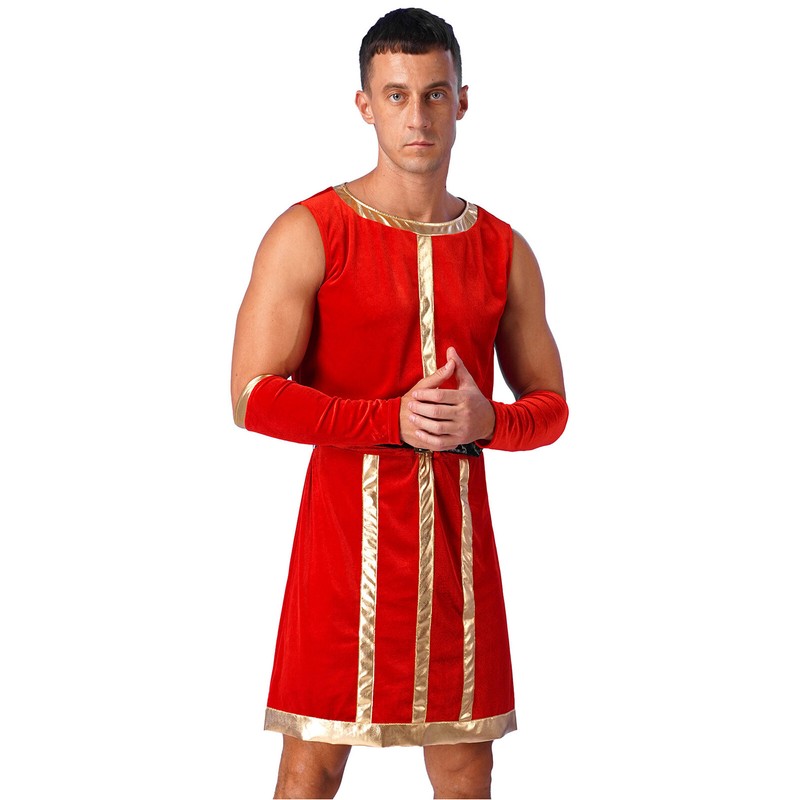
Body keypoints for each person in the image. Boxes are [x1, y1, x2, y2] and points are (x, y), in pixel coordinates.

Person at [230, 8, 568, 798]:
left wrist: (493, 422)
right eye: (396, 95)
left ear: (462, 101)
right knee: (312, 762)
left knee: (466, 765)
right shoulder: (310, 231)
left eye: (434, 94)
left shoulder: (503, 249)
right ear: (365, 104)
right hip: (340, 548)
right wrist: (389, 419)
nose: (417, 116)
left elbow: (550, 405)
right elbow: (251, 396)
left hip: (458, 555)